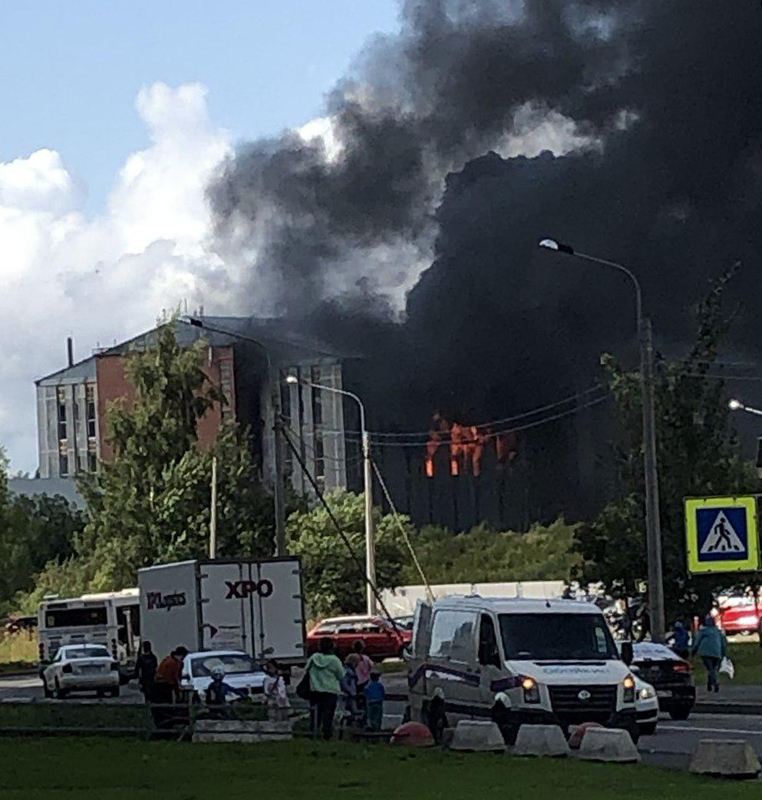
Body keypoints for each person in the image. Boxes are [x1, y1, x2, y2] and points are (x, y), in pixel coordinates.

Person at [305, 637, 344, 740]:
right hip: (330, 690)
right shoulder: (334, 660)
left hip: (315, 690)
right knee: (328, 714)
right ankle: (327, 734)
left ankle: (313, 733)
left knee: (315, 714)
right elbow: (341, 675)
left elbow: (306, 670)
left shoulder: (313, 658)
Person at [151, 646, 189, 729]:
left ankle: (161, 727)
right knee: (166, 709)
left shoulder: (166, 660)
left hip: (157, 687)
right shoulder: (174, 663)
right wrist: (178, 692)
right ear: (182, 655)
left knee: (160, 710)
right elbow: (174, 679)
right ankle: (167, 728)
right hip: (164, 688)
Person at [692, 615, 728, 693]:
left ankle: (715, 683)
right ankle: (709, 685)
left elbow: (697, 641)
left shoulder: (703, 631)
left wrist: (693, 651)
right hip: (717, 652)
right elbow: (724, 643)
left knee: (710, 668)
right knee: (712, 668)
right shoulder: (718, 632)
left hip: (705, 652)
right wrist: (724, 653)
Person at [340, 654, 360, 724]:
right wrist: (352, 692)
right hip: (348, 694)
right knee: (352, 709)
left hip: (349, 693)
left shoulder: (348, 670)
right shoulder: (349, 672)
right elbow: (345, 683)